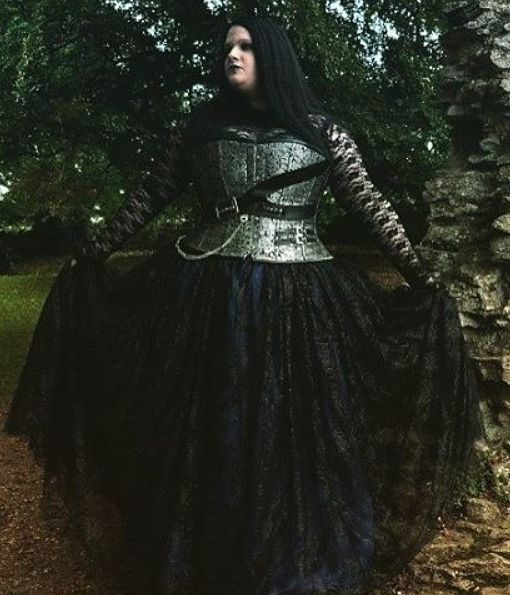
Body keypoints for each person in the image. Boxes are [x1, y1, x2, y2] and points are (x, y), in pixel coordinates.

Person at [4, 15, 483, 595]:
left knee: (297, 431)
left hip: (300, 299)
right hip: (209, 296)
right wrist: (93, 252)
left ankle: (293, 565)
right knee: (213, 424)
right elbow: (152, 194)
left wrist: (419, 275)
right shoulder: (200, 128)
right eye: (228, 46)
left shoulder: (323, 132)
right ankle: (208, 557)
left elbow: (369, 205)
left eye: (247, 46)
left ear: (273, 56)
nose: (232, 55)